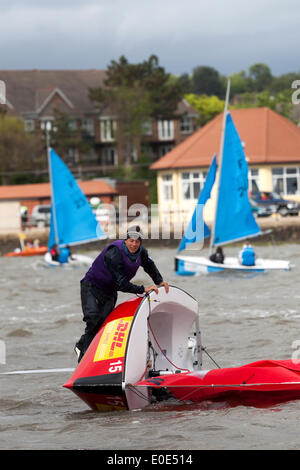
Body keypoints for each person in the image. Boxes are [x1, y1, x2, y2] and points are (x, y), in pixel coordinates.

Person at [74, 226, 169, 362]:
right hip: (92, 286)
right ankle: (84, 355)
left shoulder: (141, 252)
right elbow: (121, 284)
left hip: (109, 291)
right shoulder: (114, 252)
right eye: (131, 241)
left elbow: (149, 266)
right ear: (125, 240)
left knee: (104, 324)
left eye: (137, 241)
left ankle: (84, 348)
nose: (134, 244)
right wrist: (143, 289)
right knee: (93, 318)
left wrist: (160, 281)